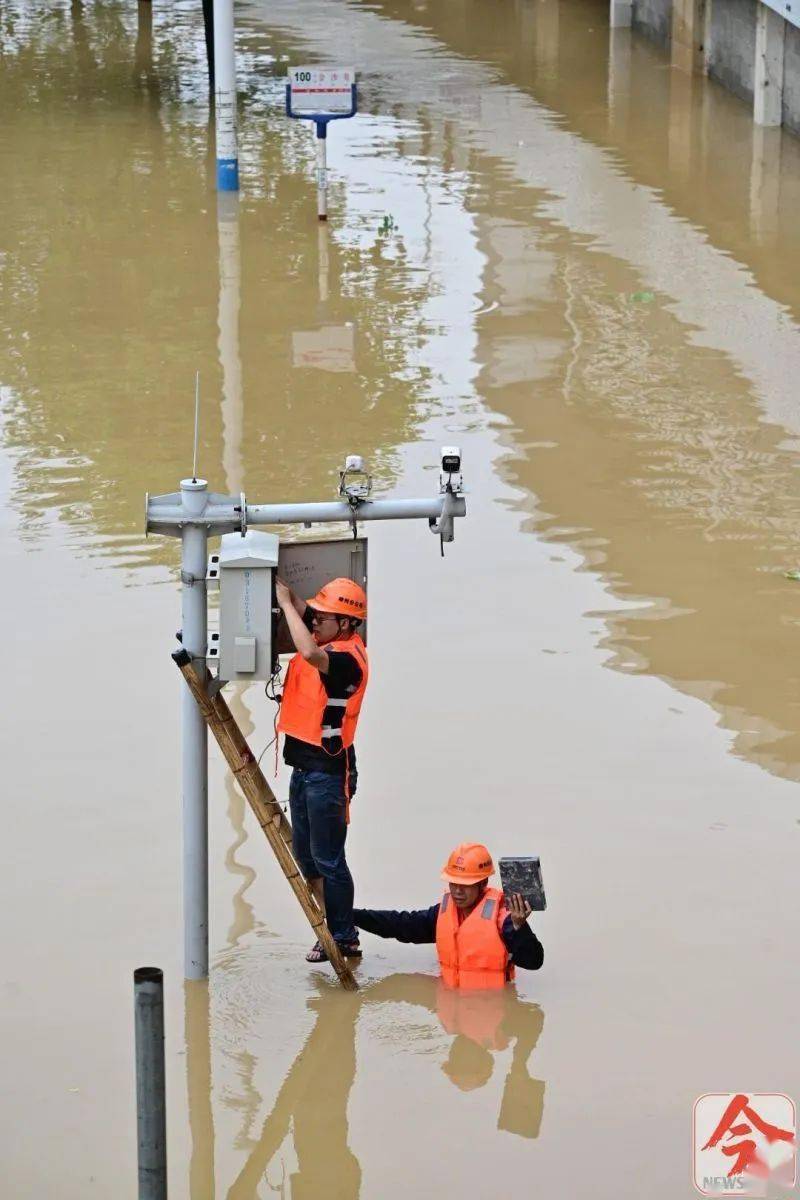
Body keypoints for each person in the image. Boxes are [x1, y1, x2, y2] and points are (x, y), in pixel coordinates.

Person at [275, 576, 369, 964]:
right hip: (304, 768)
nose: (313, 622)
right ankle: (332, 924)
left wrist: (284, 605)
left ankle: (344, 936)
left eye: (323, 618)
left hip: (328, 774)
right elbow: (302, 609)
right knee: (308, 857)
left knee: (329, 859)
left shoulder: (346, 660)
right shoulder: (330, 636)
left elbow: (311, 654)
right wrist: (278, 585)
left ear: (346, 624)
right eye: (313, 616)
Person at [353, 843, 544, 988]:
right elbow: (401, 925)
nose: (457, 891)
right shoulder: (444, 913)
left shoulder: (504, 920)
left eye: (465, 884)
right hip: (454, 1006)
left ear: (483, 883)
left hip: (491, 1011)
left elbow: (534, 961)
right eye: (453, 883)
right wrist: (352, 915)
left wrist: (520, 927)